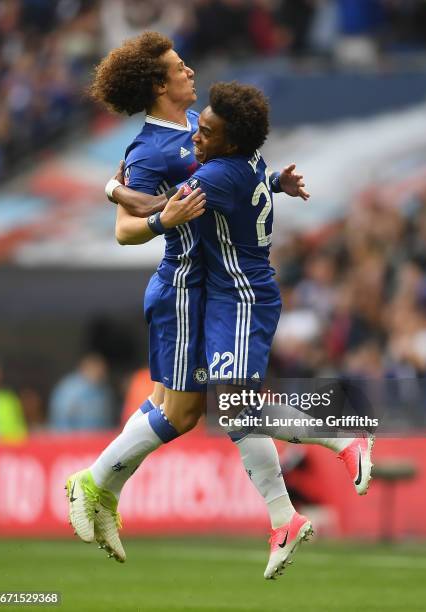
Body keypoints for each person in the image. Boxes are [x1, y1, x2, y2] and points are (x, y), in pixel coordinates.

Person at [104, 81, 374, 578]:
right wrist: (275, 182)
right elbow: (240, 183)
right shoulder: (241, 162)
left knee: (234, 407)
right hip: (233, 297)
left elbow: (149, 211)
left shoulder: (217, 174)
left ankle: (342, 436)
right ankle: (284, 520)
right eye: (199, 126)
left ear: (230, 141)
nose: (197, 137)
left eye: (206, 132)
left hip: (242, 299)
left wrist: (112, 188)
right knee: (234, 416)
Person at [66, 30, 305, 572]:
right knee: (183, 411)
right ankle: (92, 484)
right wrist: (156, 218)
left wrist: (272, 181)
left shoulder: (200, 127)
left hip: (207, 288)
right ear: (158, 85)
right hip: (180, 286)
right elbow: (125, 231)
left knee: (186, 411)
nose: (190, 72)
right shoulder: (147, 148)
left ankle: (99, 489)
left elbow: (224, 180)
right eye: (179, 68)